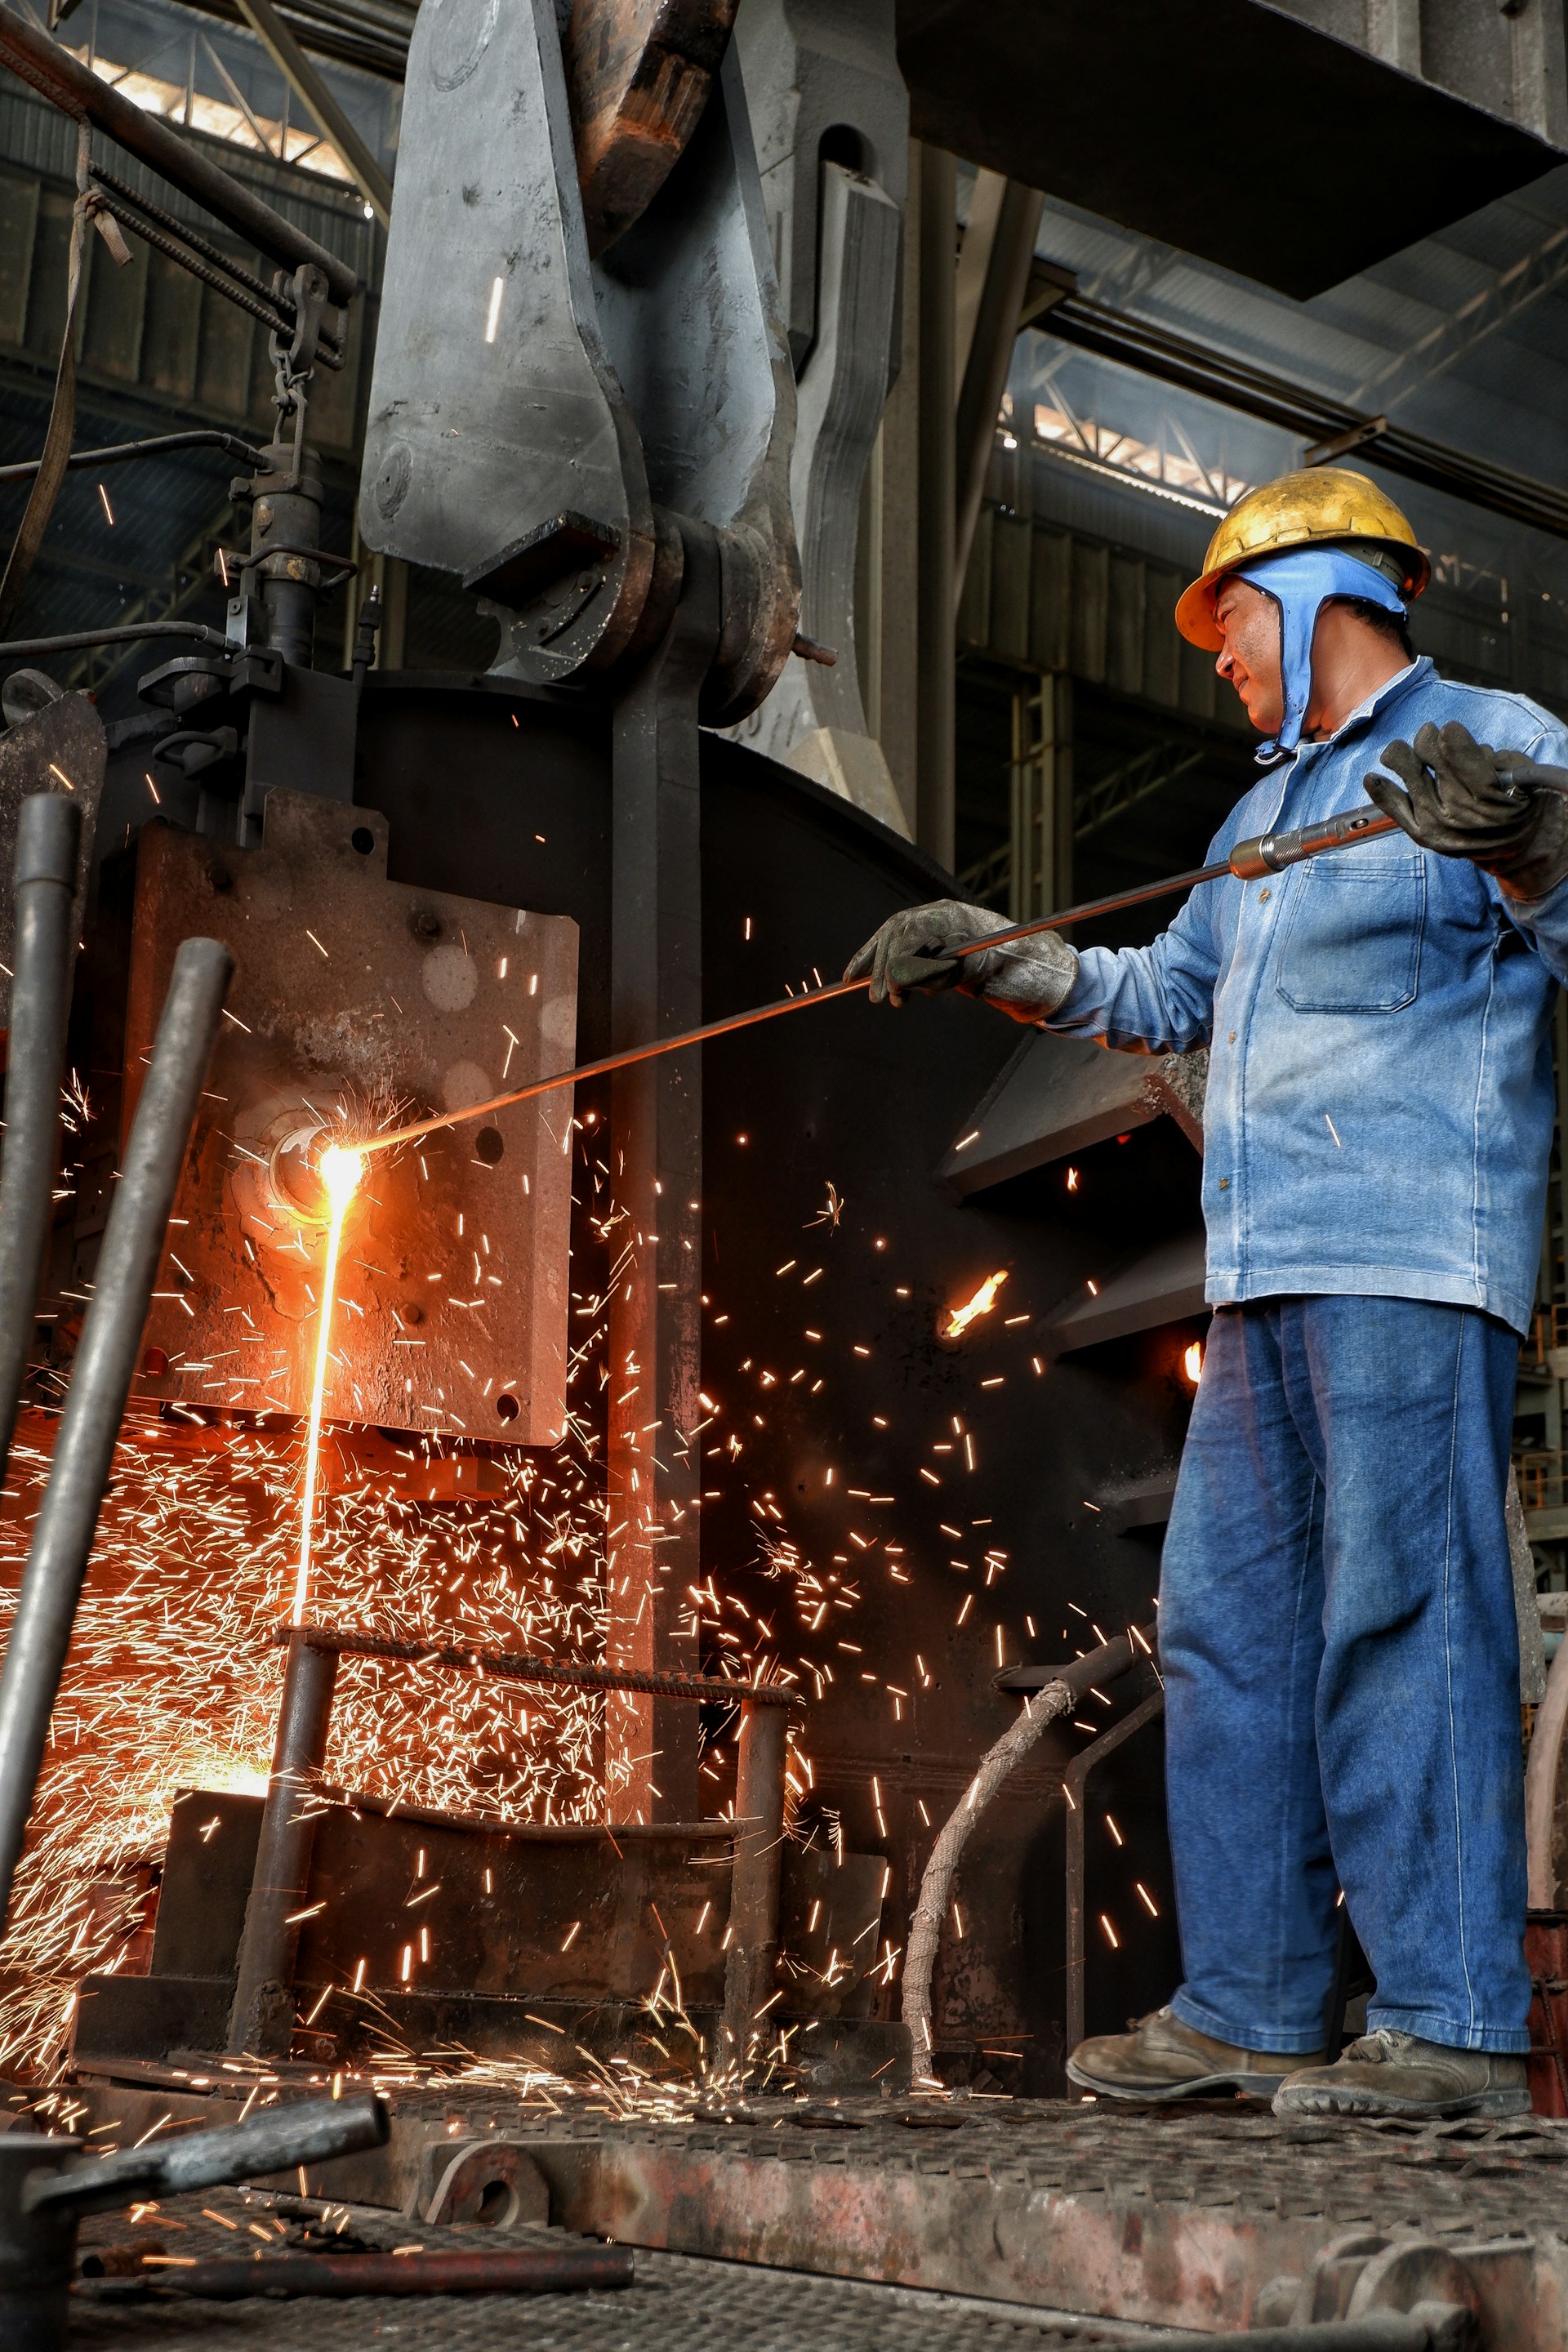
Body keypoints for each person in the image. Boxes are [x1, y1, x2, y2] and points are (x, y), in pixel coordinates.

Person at [848, 468, 1568, 2120]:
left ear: (1320, 593)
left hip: (1407, 1258)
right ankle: (1253, 2002)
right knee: (1230, 1636)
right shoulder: (1259, 819)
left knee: (1401, 1618)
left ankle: (1451, 2027)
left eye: (1230, 619)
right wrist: (1001, 957)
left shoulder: (1497, 736)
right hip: (1258, 1279)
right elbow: (1161, 992)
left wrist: (1534, 846)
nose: (1219, 658)